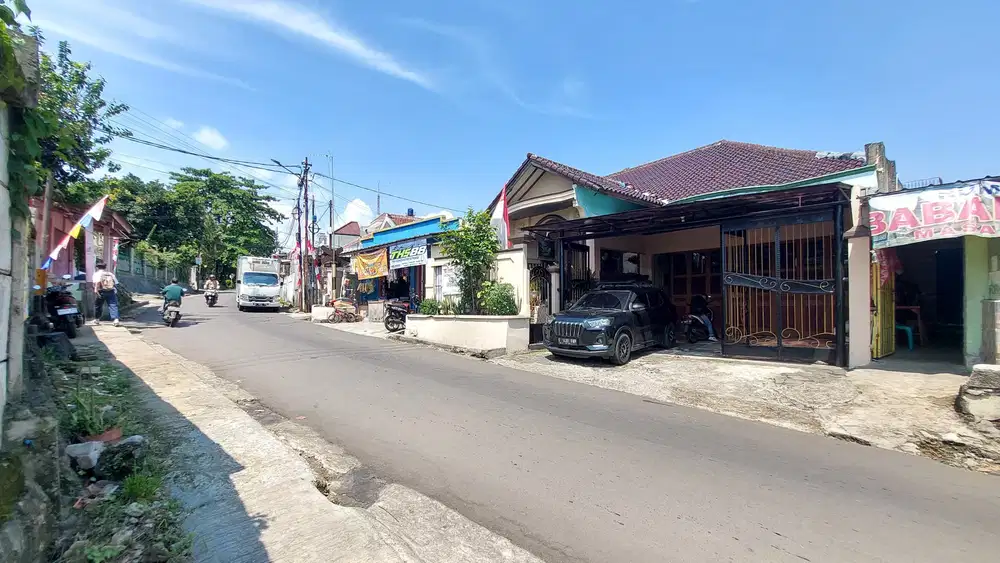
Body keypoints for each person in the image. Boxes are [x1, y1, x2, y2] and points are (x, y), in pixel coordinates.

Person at [92, 262, 120, 327]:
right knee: (113, 305)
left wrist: (96, 290)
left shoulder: (96, 274)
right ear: (105, 267)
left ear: (97, 267)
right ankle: (116, 320)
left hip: (101, 291)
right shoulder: (110, 274)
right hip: (111, 291)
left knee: (98, 305)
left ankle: (97, 319)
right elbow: (116, 283)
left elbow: (95, 283)